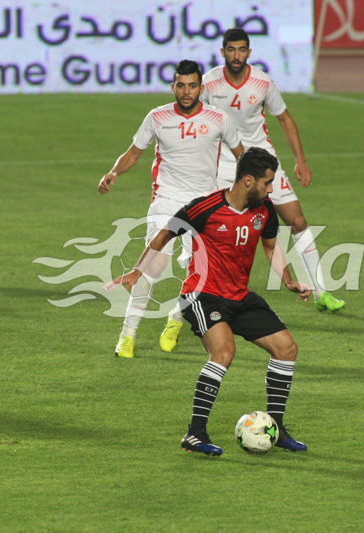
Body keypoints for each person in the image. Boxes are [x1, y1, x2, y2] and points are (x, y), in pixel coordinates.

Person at [108, 148, 311, 455]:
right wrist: (138, 269)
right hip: (202, 295)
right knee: (224, 352)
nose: (271, 189)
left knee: (286, 348)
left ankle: (278, 428)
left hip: (239, 296)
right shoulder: (205, 208)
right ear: (247, 180)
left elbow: (271, 247)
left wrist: (288, 280)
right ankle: (195, 434)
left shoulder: (264, 210)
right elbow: (164, 235)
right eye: (267, 183)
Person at [98, 60, 244, 359]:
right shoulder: (157, 116)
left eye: (192, 85)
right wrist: (113, 172)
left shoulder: (218, 118)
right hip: (166, 199)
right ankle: (127, 336)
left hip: (204, 204)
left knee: (199, 273)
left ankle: (176, 319)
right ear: (173, 86)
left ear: (201, 88)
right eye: (181, 85)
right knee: (153, 266)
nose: (186, 91)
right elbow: (134, 152)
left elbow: (242, 156)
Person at [197, 27, 345, 316]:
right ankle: (203, 295)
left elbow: (285, 119)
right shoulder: (209, 84)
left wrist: (300, 160)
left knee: (298, 221)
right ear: (222, 52)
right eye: (231, 49)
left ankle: (321, 291)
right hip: (226, 166)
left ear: (249, 52)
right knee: (213, 229)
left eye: (241, 50)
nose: (236, 55)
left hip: (264, 164)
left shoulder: (262, 82)